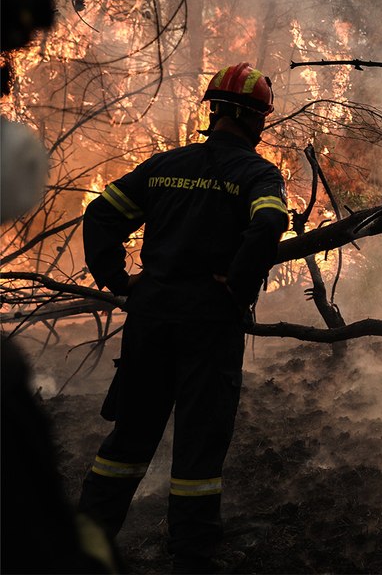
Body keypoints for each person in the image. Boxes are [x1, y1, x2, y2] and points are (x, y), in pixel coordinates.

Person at [76, 62, 289, 573]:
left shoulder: (164, 165)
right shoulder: (255, 173)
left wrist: (118, 278)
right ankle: (192, 555)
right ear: (248, 117)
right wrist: (237, 286)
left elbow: (101, 214)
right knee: (200, 439)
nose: (262, 127)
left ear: (214, 111)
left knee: (129, 437)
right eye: (260, 117)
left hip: (151, 316)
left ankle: (85, 541)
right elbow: (271, 221)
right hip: (208, 324)